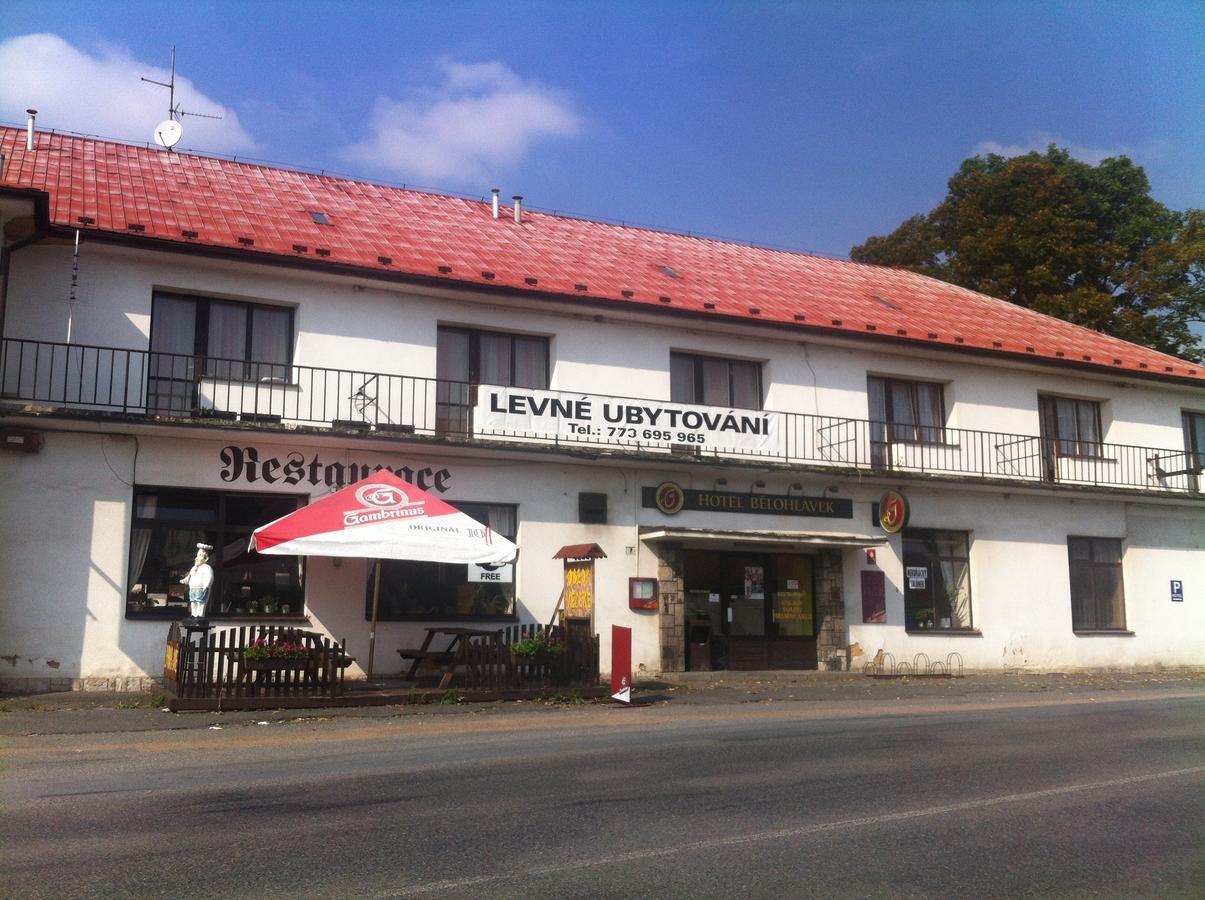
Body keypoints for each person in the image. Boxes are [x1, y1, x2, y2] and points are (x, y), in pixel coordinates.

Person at [181, 543, 215, 619]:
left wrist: (207, 585)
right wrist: (185, 580)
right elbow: (189, 576)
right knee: (193, 602)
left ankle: (200, 615)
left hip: (201, 588)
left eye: (199, 556)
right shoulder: (194, 568)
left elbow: (209, 577)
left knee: (200, 602)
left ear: (205, 558)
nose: (196, 558)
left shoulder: (207, 568)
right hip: (193, 588)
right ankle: (194, 614)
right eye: (197, 556)